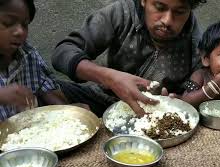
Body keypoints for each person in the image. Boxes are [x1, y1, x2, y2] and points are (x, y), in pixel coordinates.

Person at [52, 0, 207, 117]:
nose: (167, 20)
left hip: (153, 112)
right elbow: (63, 52)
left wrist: (181, 99)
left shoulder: (197, 43)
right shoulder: (122, 13)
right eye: (159, 7)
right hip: (102, 98)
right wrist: (110, 78)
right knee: (46, 88)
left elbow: (200, 88)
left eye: (179, 12)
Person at [0, 0, 79, 121]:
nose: (20, 31)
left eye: (25, 25)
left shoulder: (27, 54)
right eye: (8, 23)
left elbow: (46, 87)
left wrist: (68, 112)